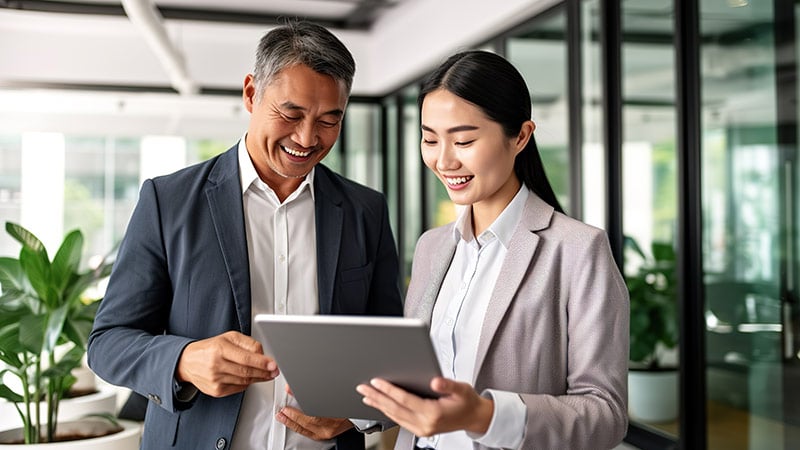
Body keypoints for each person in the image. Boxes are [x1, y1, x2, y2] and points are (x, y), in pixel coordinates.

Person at [87, 20, 403, 450]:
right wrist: (182, 360)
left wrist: (355, 414)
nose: (307, 138)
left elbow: (390, 351)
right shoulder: (168, 200)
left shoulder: (366, 210)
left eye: (330, 120)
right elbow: (107, 343)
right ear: (252, 93)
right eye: (291, 114)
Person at [356, 50, 629, 449]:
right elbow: (415, 383)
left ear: (520, 136)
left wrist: (483, 415)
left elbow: (605, 415)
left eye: (463, 140)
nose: (444, 160)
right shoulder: (432, 246)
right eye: (429, 139)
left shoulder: (577, 250)